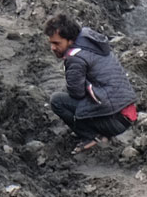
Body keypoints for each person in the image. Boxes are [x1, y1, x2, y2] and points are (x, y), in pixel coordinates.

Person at [44, 13, 139, 151]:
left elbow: (76, 93)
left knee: (57, 101)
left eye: (57, 43)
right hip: (127, 114)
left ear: (70, 40)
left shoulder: (75, 58)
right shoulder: (90, 42)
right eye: (51, 43)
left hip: (116, 121)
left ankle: (92, 136)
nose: (52, 47)